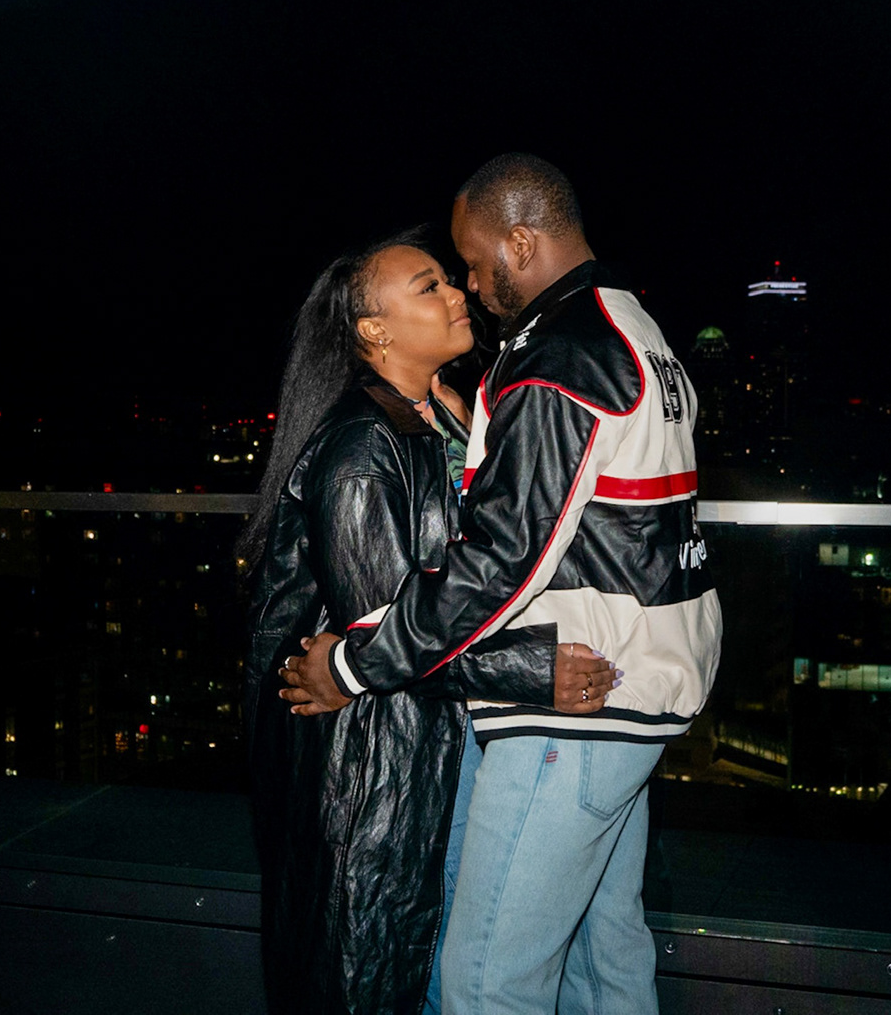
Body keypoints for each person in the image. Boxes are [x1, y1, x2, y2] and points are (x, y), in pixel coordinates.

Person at [280, 154, 722, 1014]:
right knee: (604, 964)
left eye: (474, 265)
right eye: (444, 279)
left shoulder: (560, 355)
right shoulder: (631, 325)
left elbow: (500, 558)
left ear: (520, 243)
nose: (472, 287)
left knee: (488, 983)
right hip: (633, 686)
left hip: (582, 708)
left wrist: (352, 666)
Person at [240, 229, 619, 1015]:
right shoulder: (360, 447)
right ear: (373, 330)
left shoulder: (442, 416)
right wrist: (534, 670)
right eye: (429, 287)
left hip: (432, 738)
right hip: (372, 760)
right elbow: (385, 630)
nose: (457, 294)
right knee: (378, 976)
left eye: (449, 279)